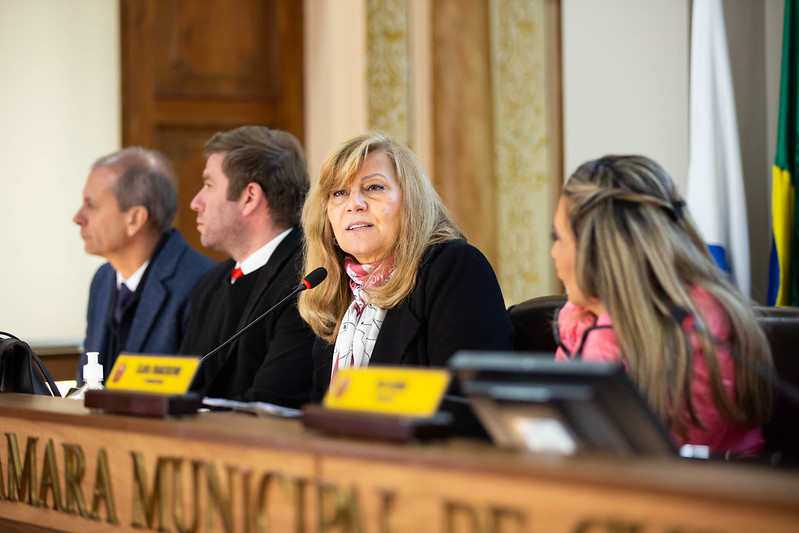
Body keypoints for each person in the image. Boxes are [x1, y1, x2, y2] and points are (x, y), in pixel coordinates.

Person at [550, 155, 773, 457]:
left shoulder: (701, 329)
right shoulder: (580, 321)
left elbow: (636, 463)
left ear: (602, 251)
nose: (553, 253)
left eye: (559, 238)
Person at [299, 132, 513, 404]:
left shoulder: (454, 268)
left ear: (410, 199)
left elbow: (469, 400)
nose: (355, 204)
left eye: (374, 188)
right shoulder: (337, 291)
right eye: (339, 193)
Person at [180, 126, 315, 407]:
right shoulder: (209, 283)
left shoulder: (306, 280)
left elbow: (271, 402)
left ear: (249, 198)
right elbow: (180, 385)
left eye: (208, 185)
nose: (195, 202)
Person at [73, 147, 214, 382]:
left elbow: (195, 395)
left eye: (91, 205)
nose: (78, 217)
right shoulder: (103, 278)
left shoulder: (203, 283)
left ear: (135, 219)